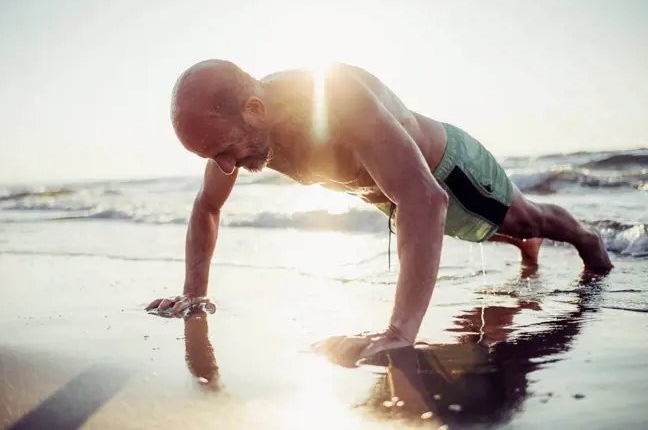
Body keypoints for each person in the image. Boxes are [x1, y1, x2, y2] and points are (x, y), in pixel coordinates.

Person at [145, 59, 613, 362]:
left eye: (225, 151)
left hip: (448, 169)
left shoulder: (335, 98)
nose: (225, 166)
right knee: (472, 230)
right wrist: (193, 293)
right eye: (212, 158)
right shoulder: (234, 136)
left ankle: (586, 239)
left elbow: (426, 198)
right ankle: (516, 244)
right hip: (389, 194)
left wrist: (400, 332)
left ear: (253, 108)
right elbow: (207, 206)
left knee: (524, 217)